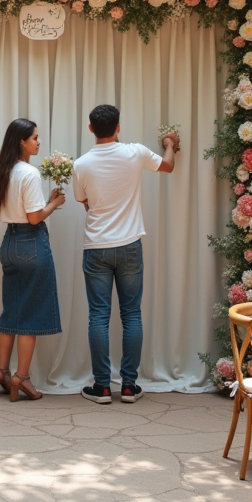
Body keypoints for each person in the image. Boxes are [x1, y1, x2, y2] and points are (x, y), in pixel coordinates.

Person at [72, 104, 178, 403]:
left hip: (96, 247)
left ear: (91, 129)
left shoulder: (81, 164)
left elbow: (84, 201)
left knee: (98, 317)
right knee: (132, 315)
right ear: (118, 127)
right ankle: (130, 386)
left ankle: (103, 387)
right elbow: (168, 166)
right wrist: (170, 144)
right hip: (130, 244)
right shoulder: (135, 152)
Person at [0, 118, 65, 401]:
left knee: (11, 311)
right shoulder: (29, 173)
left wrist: (47, 203)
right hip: (30, 243)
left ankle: (2, 372)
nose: (38, 142)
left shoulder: (3, 172)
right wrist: (54, 204)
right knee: (30, 316)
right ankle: (22, 377)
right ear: (22, 141)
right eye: (34, 137)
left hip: (9, 243)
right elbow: (34, 218)